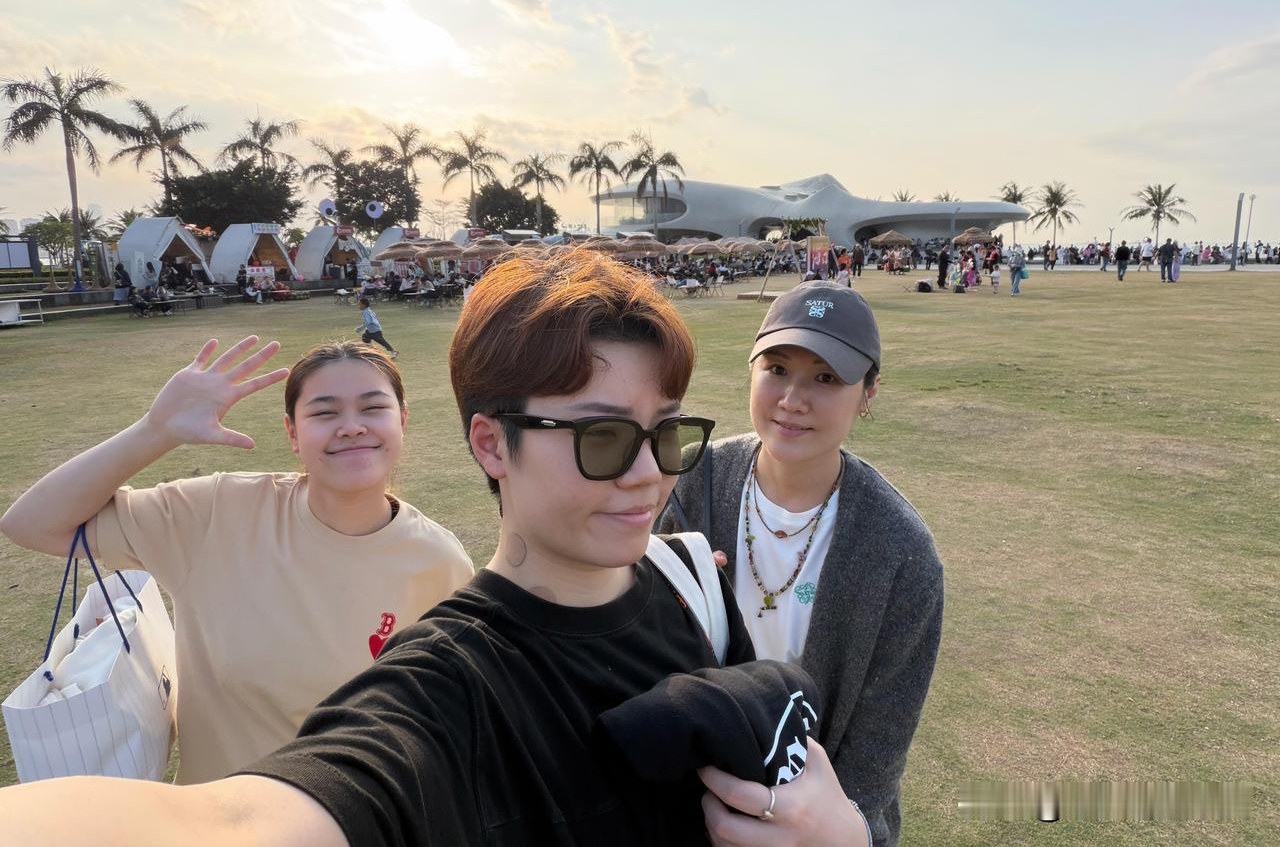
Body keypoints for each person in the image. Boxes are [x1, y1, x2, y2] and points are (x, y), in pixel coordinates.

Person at [0, 252, 872, 847]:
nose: (649, 474)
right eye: (602, 437)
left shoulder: (690, 585)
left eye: (667, 433)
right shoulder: (446, 683)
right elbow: (248, 821)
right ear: (492, 444)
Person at [0, 338, 474, 784]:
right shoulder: (216, 513)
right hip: (215, 819)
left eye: (373, 408)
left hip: (363, 818)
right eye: (324, 412)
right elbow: (31, 524)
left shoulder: (440, 562)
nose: (352, 426)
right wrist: (155, 431)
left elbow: (447, 720)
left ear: (402, 420)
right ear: (293, 433)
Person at [660, 281, 944, 847]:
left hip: (815, 822)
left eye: (826, 378)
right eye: (777, 369)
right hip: (683, 799)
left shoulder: (902, 553)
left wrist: (824, 829)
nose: (793, 399)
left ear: (868, 394)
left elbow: (878, 745)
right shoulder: (694, 480)